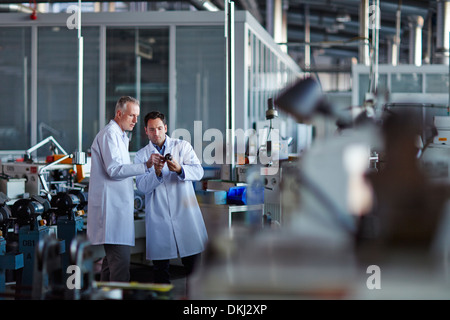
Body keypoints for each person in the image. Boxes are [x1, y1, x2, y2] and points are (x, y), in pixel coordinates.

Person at [134, 111, 208, 284]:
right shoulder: (142, 155)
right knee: (161, 272)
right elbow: (143, 186)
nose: (156, 133)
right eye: (152, 129)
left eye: (159, 128)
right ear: (146, 130)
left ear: (165, 127)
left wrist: (180, 169)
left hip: (185, 215)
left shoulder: (182, 146)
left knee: (193, 269)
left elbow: (199, 171)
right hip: (159, 219)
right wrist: (157, 173)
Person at [87, 96, 152, 282]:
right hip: (112, 216)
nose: (135, 120)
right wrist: (145, 166)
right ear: (119, 113)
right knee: (120, 270)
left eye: (137, 116)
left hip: (118, 213)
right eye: (132, 115)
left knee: (110, 268)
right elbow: (114, 170)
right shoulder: (110, 134)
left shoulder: (121, 136)